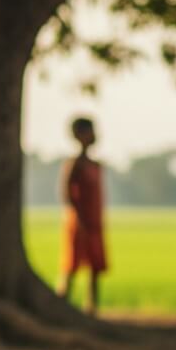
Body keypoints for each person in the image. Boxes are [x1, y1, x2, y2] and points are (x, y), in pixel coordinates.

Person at [56, 117, 108, 316]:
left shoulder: (95, 164)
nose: (94, 135)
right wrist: (78, 217)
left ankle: (92, 309)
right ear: (79, 136)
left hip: (95, 222)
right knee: (72, 265)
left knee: (95, 266)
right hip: (79, 222)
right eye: (89, 131)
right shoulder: (75, 164)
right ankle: (61, 307)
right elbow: (66, 193)